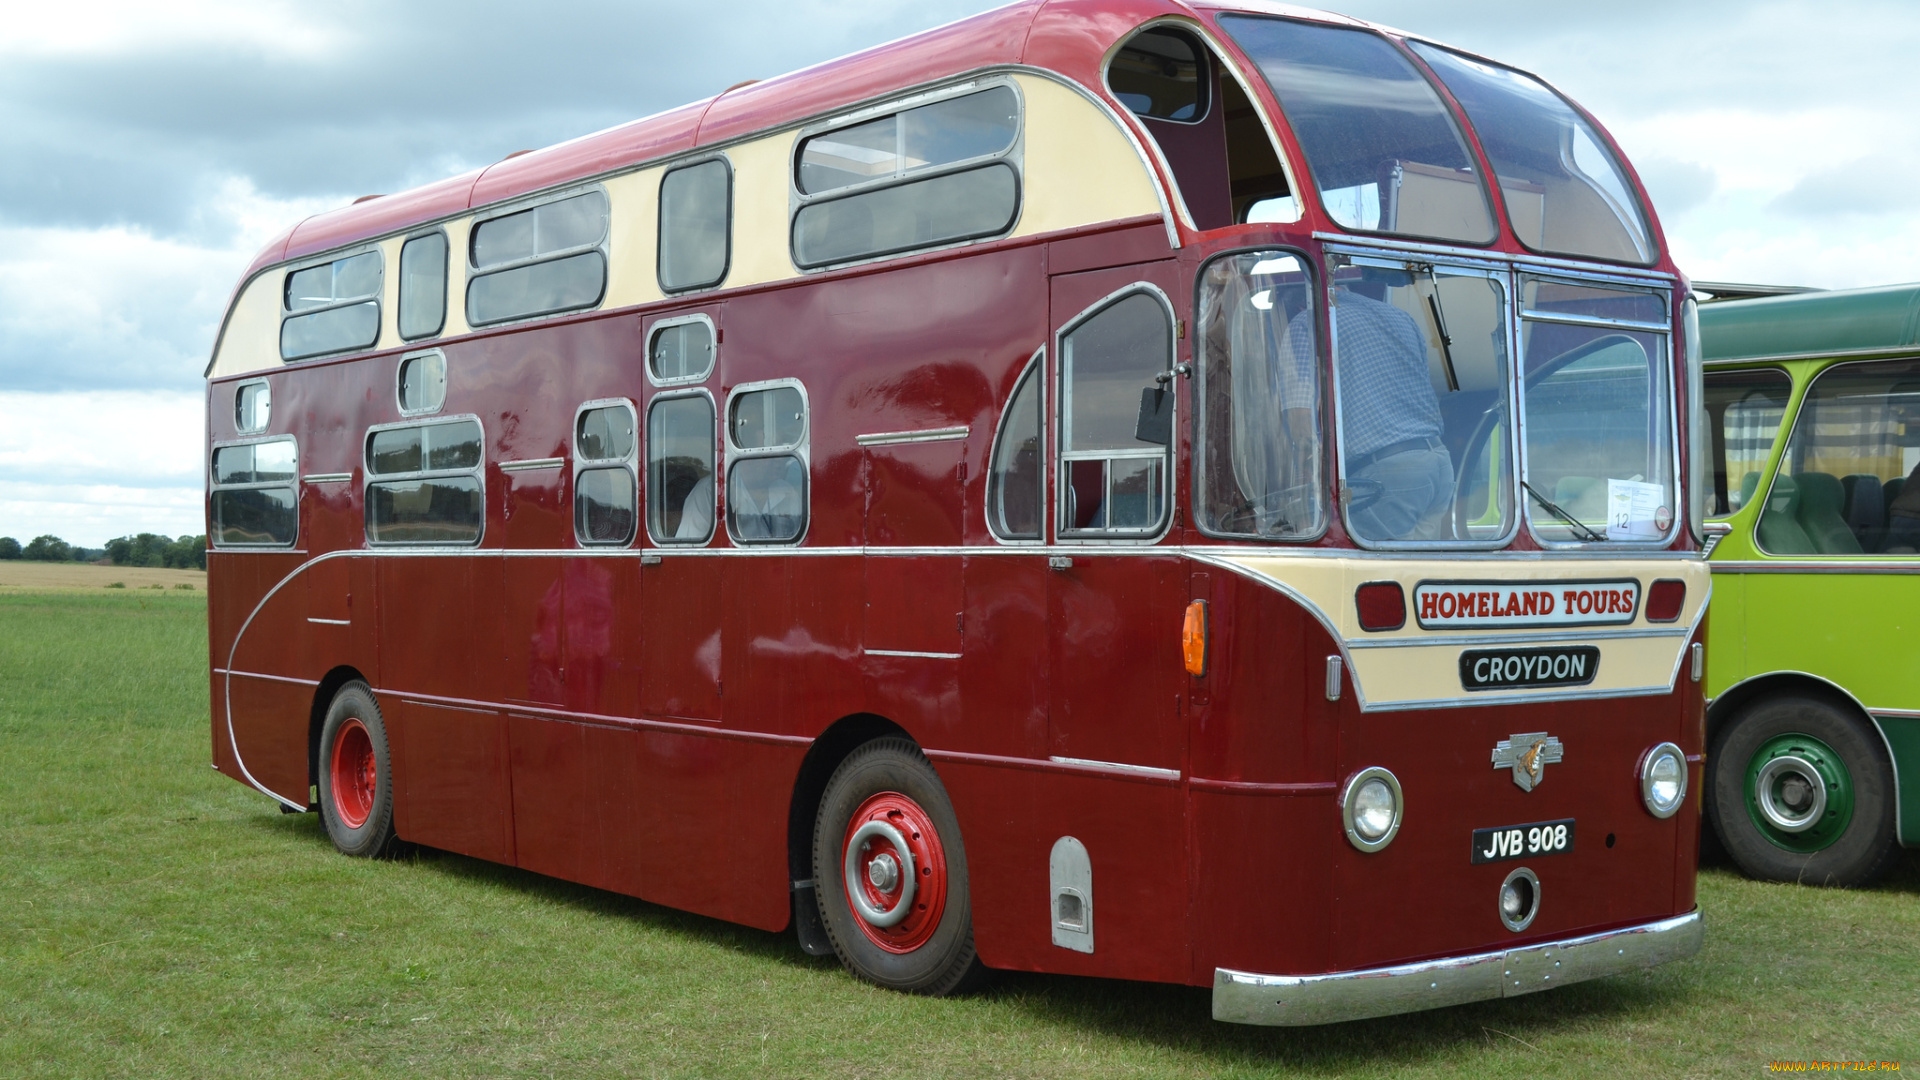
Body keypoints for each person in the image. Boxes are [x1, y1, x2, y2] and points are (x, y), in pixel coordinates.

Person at [1291, 271, 1452, 541]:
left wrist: (1302, 509)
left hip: (1387, 478)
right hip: (1438, 465)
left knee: (1360, 559)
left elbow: (1302, 426)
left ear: (1297, 300)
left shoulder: (1307, 322)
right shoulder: (1401, 317)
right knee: (1416, 563)